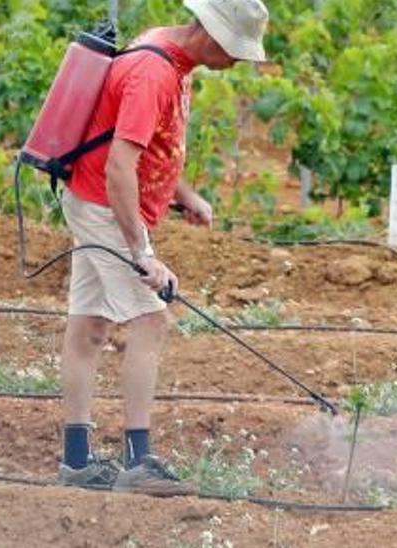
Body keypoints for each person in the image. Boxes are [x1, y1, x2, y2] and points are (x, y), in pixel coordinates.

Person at [55, 0, 269, 496]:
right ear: (213, 36)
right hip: (104, 206)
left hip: (97, 202)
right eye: (234, 52)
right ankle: (137, 462)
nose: (235, 62)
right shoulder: (153, 73)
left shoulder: (172, 57)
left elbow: (151, 146)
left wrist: (185, 195)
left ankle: (77, 462)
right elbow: (118, 168)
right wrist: (142, 252)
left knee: (89, 326)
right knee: (151, 319)